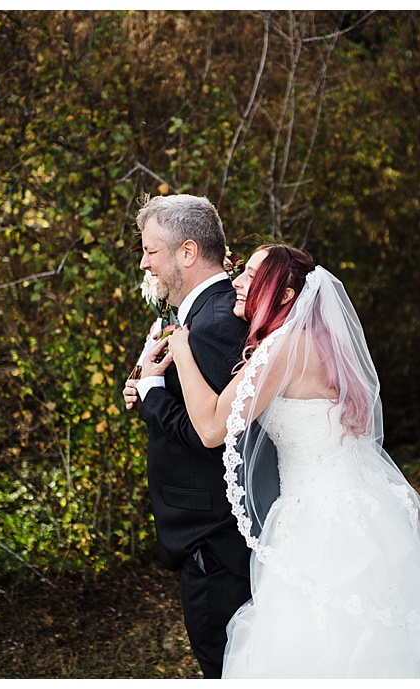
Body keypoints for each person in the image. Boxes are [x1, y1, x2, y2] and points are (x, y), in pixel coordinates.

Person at [144, 244, 420, 678]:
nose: (236, 283)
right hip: (362, 511)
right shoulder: (320, 343)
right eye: (240, 271)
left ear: (284, 297)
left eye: (251, 276)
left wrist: (183, 349)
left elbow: (211, 427)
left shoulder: (282, 348)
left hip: (318, 527)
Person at [120, 194, 252, 679]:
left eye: (151, 250)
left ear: (188, 252)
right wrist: (150, 391)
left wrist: (154, 393)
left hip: (215, 545)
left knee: (224, 667)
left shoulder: (214, 324)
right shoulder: (198, 317)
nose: (144, 261)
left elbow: (209, 433)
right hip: (208, 541)